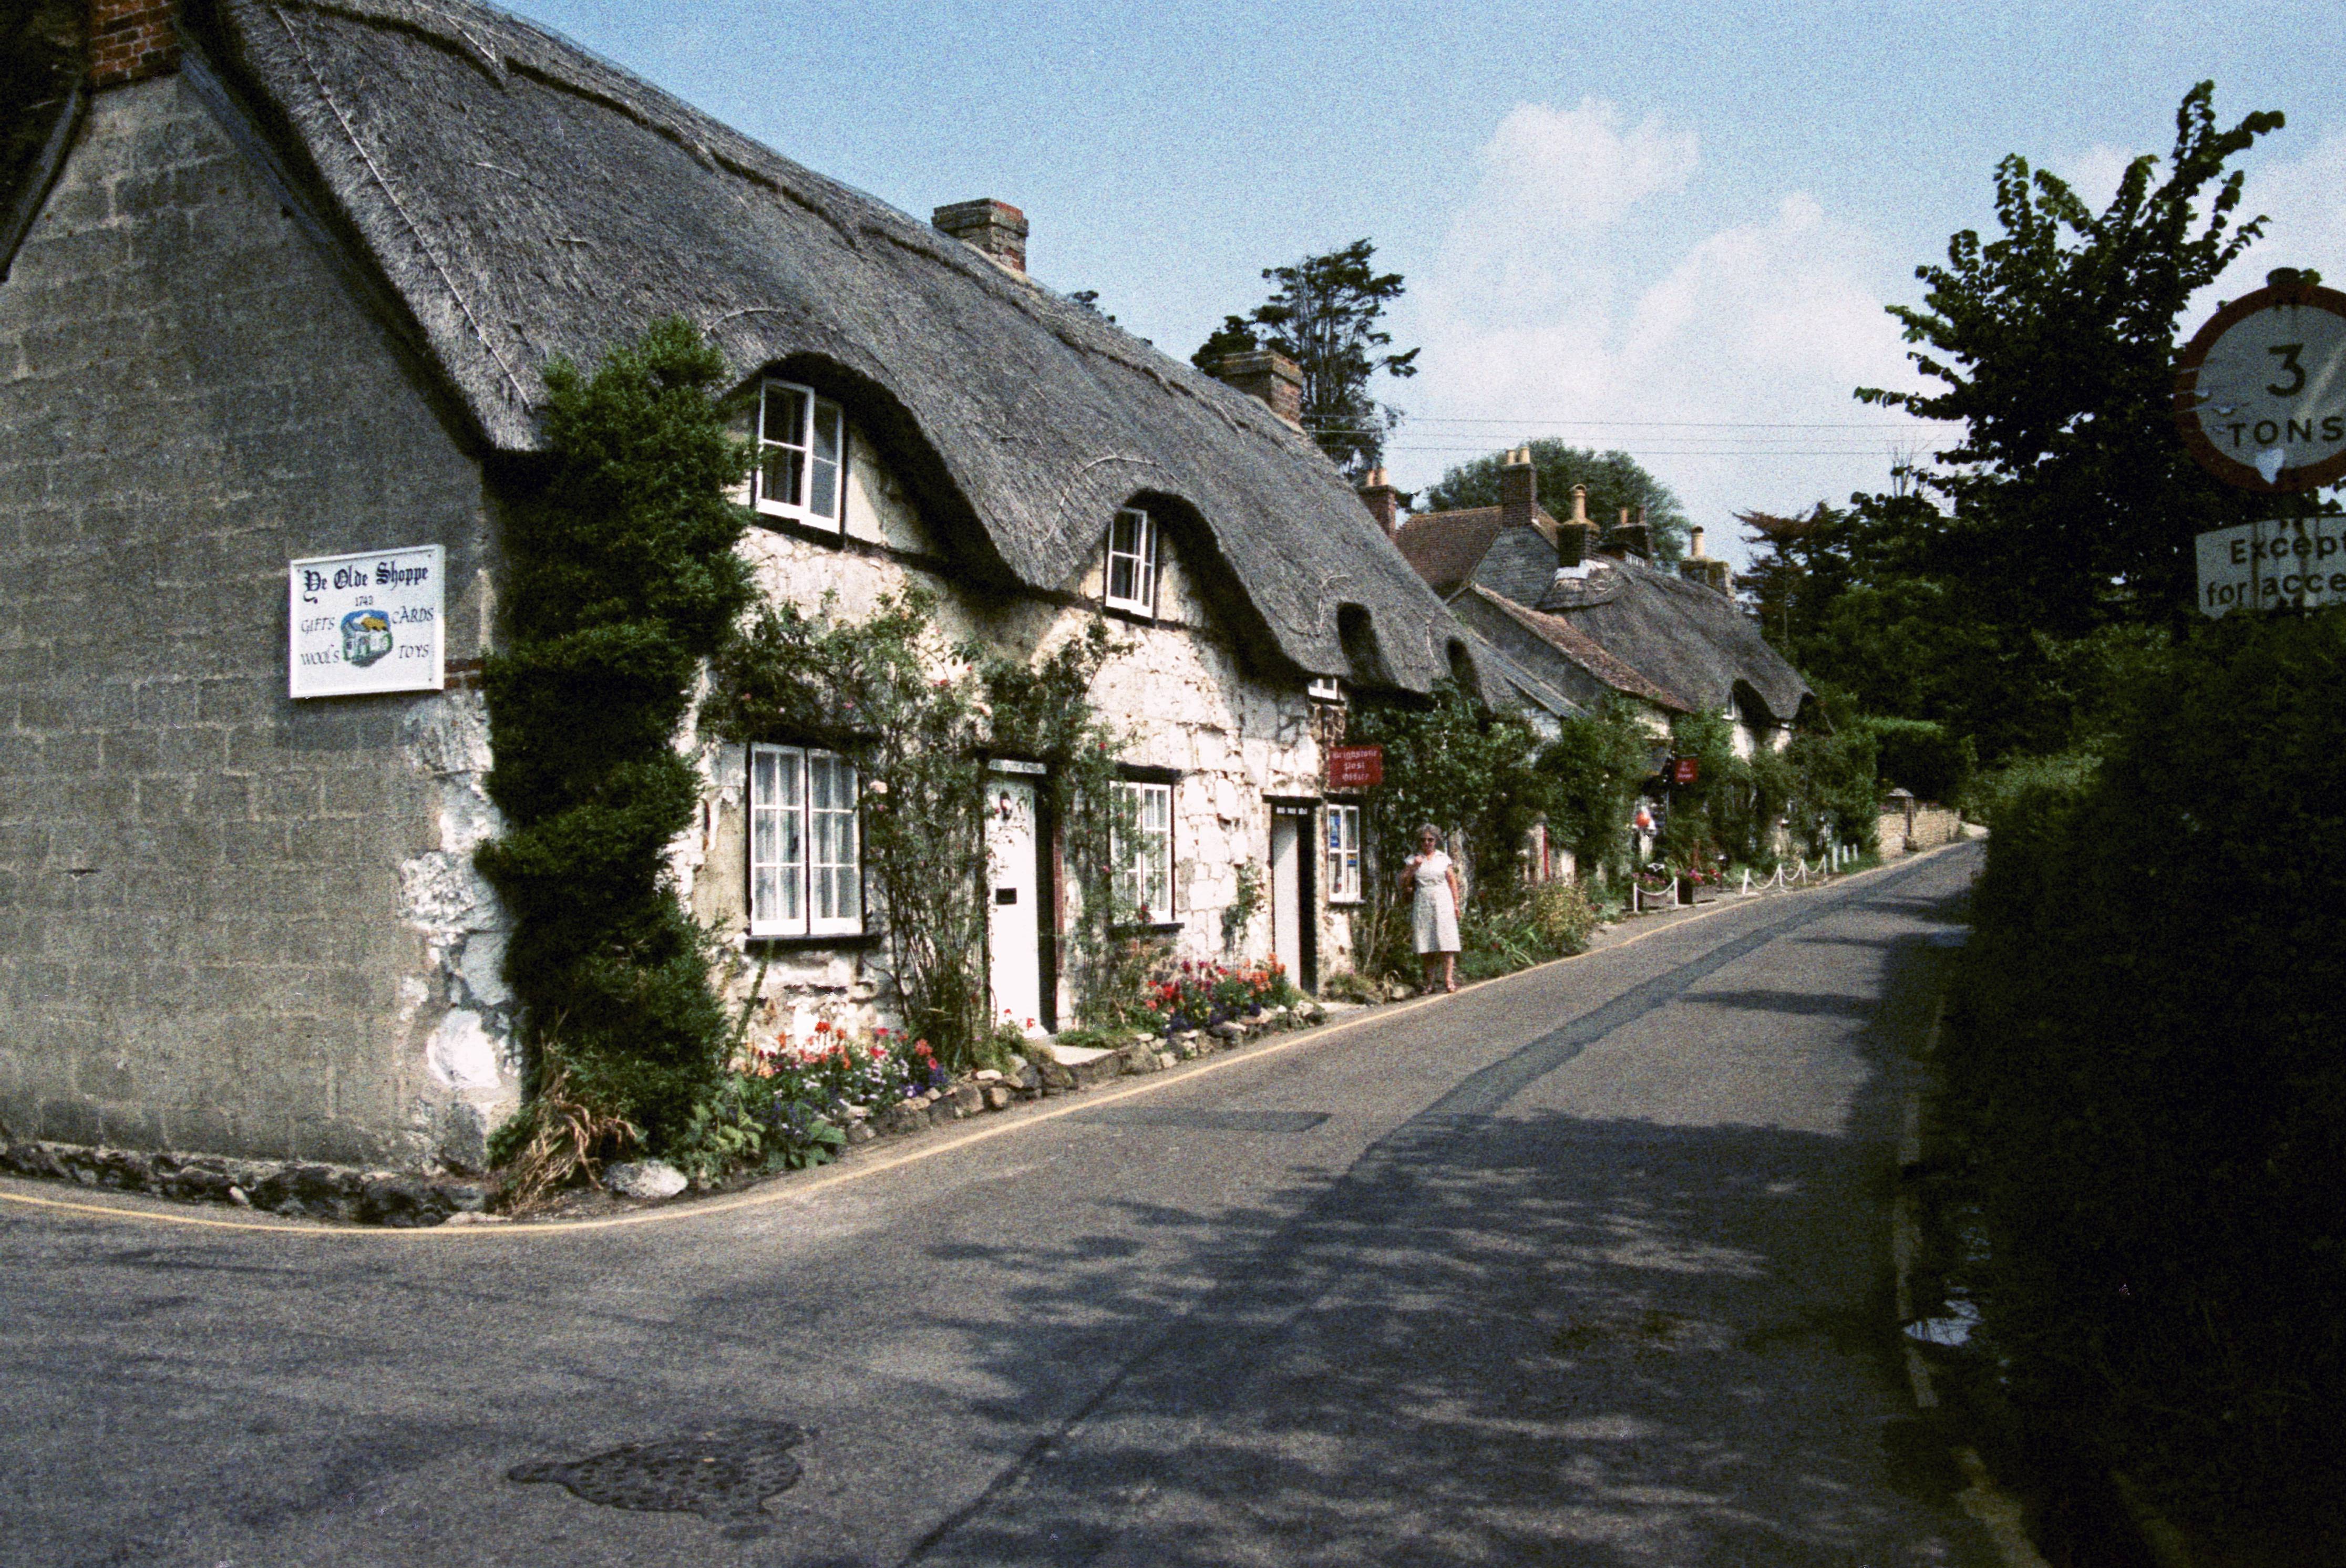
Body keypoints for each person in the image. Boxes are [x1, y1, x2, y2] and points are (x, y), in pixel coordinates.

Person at [1401, 823, 1464, 994]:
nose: (1427, 843)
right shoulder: (1413, 859)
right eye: (1423, 840)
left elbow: (1452, 882)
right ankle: (1430, 983)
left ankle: (1449, 980)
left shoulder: (1443, 858)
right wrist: (1414, 867)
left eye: (1430, 839)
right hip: (1423, 901)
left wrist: (1456, 904)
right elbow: (1404, 882)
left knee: (1447, 942)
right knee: (1426, 943)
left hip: (1443, 901)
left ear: (1436, 841)